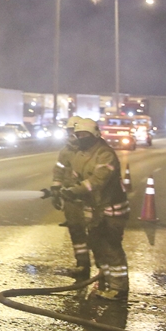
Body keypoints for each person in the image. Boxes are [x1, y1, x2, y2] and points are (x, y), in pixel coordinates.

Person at [57, 118, 130, 301]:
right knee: (97, 245)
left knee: (111, 247)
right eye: (78, 135)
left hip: (112, 208)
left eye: (84, 135)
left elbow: (98, 180)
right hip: (95, 208)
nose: (81, 138)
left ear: (95, 134)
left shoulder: (105, 153)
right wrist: (63, 190)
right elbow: (73, 174)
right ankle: (105, 280)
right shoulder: (81, 154)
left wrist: (75, 191)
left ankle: (119, 288)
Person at [51, 117, 91, 280]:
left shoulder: (93, 150)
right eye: (69, 132)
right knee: (76, 230)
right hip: (70, 197)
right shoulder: (65, 151)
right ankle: (82, 263)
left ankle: (105, 268)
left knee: (96, 232)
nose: (72, 135)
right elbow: (59, 170)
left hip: (90, 197)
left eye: (74, 132)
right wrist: (55, 189)